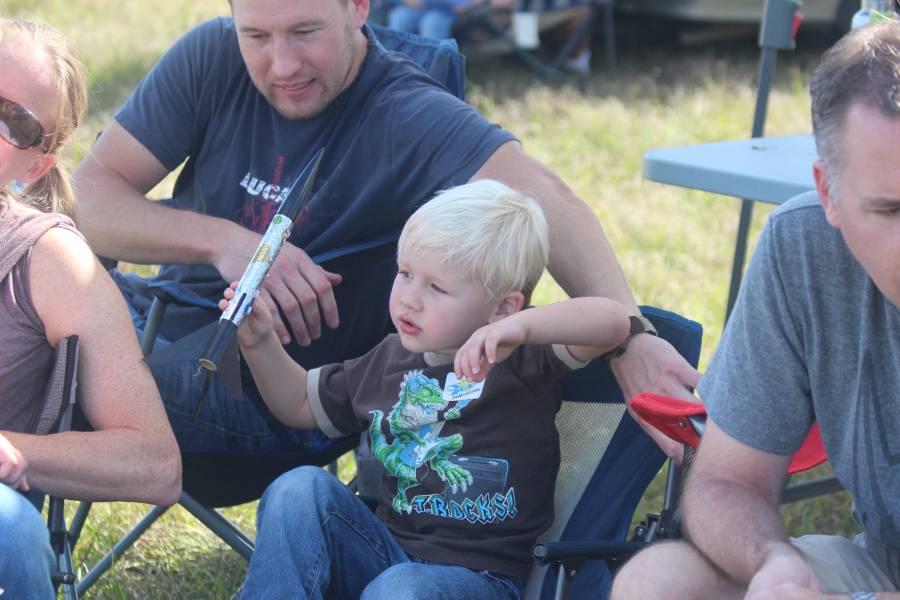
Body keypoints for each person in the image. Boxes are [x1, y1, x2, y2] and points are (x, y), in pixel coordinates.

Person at [72, 0, 696, 468]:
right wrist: (225, 242)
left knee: (42, 350)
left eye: (305, 32)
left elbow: (547, 197)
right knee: (33, 287)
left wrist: (631, 334)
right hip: (153, 325)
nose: (282, 64)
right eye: (256, 36)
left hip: (266, 396)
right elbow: (89, 197)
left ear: (358, 7)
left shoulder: (404, 111)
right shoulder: (210, 58)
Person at [228, 179, 631, 598]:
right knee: (299, 489)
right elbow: (298, 402)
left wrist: (522, 328)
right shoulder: (390, 359)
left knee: (400, 589)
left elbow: (614, 321)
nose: (410, 299)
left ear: (503, 307)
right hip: (385, 553)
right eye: (405, 274)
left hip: (479, 579)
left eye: (436, 287)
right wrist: (260, 343)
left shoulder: (525, 357)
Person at [611, 20, 900, 600]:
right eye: (890, 211)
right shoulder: (803, 248)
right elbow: (726, 481)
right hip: (883, 565)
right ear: (828, 194)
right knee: (656, 583)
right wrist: (772, 561)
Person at [0, 18, 181, 599]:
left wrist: (14, 450)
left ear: (35, 165)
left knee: (8, 524)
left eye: (14, 121)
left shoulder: (49, 260)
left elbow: (154, 462)